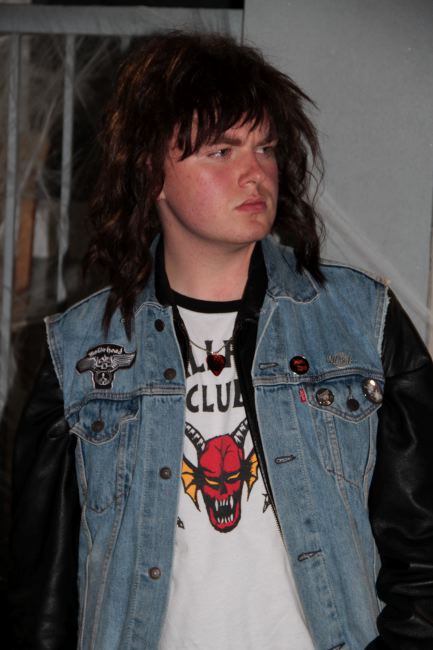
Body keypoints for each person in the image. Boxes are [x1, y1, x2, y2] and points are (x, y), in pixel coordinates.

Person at [9, 30, 433, 650]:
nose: (255, 172)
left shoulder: (360, 320)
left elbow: (423, 551)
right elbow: (41, 595)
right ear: (151, 171)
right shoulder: (78, 349)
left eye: (265, 148)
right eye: (221, 151)